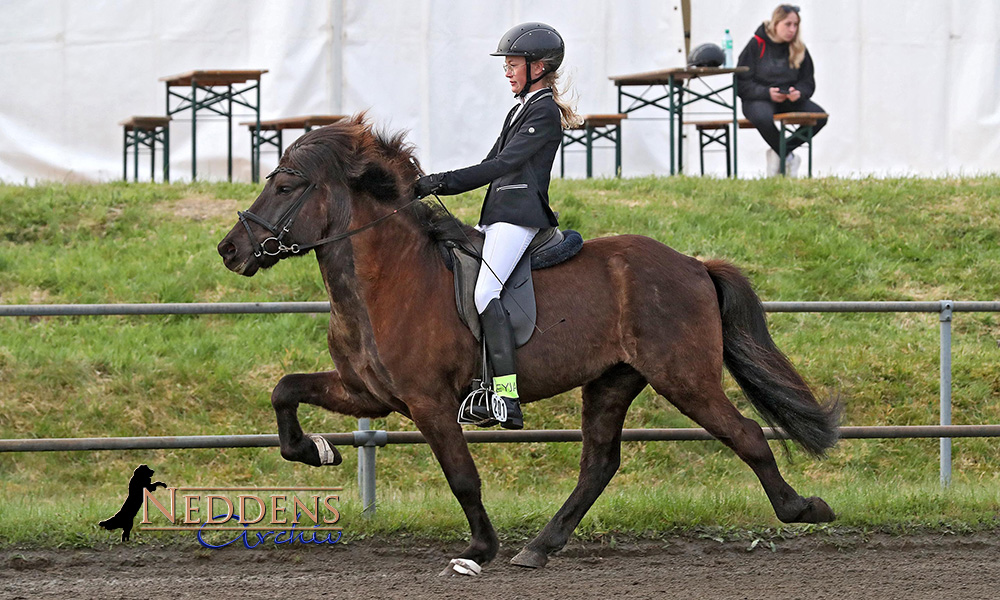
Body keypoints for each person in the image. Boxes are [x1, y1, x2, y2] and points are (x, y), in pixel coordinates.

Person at [413, 22, 578, 430]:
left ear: (538, 66)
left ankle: (506, 396)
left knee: (486, 289)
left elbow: (502, 166)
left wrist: (441, 182)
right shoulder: (519, 108)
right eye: (505, 65)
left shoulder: (544, 111)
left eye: (513, 64)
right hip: (500, 215)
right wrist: (435, 183)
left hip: (521, 216)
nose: (507, 71)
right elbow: (490, 162)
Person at [737, 5, 827, 176]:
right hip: (758, 99)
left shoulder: (799, 48)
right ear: (776, 23)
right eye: (788, 24)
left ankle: (780, 154)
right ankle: (788, 158)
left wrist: (799, 92)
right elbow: (741, 83)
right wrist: (766, 93)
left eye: (796, 25)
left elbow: (808, 81)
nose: (792, 29)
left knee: (820, 117)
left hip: (788, 100)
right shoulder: (756, 44)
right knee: (762, 117)